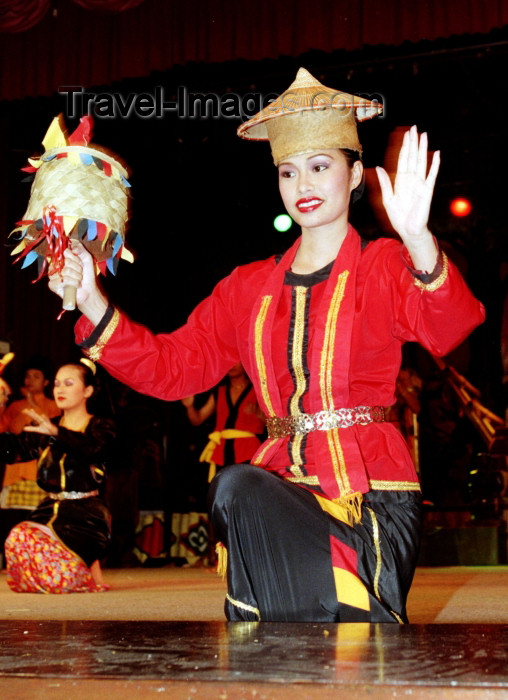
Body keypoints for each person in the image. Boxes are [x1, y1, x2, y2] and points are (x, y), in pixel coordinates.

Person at [47, 68, 485, 621]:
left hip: (370, 501)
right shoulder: (246, 287)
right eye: (288, 171)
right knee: (237, 487)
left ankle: (353, 600)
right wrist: (90, 298)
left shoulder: (384, 266)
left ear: (354, 177)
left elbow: (450, 329)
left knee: (240, 492)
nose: (303, 185)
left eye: (320, 168)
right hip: (273, 495)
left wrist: (419, 241)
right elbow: (172, 368)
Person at [1, 359, 115, 593]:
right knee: (18, 536)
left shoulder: (101, 427)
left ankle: (82, 571)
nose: (60, 389)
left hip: (87, 517)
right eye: (57, 384)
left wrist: (57, 433)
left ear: (88, 391)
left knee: (59, 579)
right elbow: (14, 449)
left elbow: (94, 449)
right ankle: (81, 572)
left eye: (68, 383)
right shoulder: (47, 428)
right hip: (49, 511)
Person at [0, 357, 60, 554]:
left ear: (46, 382)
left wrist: (33, 403)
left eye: (36, 376)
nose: (30, 380)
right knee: (13, 521)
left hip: (39, 474)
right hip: (15, 474)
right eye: (27, 376)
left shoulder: (54, 405)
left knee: (39, 521)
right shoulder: (14, 405)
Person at [182, 363, 266, 481]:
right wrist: (189, 406)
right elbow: (197, 419)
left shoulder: (258, 391)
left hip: (248, 450)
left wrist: (258, 414)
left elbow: (272, 423)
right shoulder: (219, 392)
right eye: (229, 361)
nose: (232, 365)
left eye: (236, 361)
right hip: (221, 450)